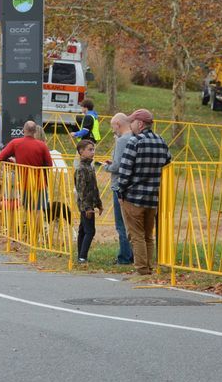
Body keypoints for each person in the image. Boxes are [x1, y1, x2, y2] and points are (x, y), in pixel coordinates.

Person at [117, 108, 172, 276]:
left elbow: (125, 171)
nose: (130, 125)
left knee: (136, 235)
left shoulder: (135, 142)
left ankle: (141, 269)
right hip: (153, 197)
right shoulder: (161, 141)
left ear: (140, 124)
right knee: (148, 235)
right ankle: (148, 266)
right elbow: (168, 163)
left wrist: (120, 191)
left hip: (134, 196)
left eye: (132, 122)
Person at [103, 113, 134, 265]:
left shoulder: (122, 140)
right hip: (132, 186)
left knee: (121, 224)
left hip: (119, 185)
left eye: (112, 126)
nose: (112, 130)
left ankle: (124, 257)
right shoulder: (135, 137)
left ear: (117, 124)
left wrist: (107, 166)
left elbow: (118, 166)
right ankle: (134, 254)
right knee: (132, 223)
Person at [74, 138, 103, 264]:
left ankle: (80, 254)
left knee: (83, 229)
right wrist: (87, 207)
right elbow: (82, 190)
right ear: (81, 152)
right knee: (90, 231)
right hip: (85, 205)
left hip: (90, 203)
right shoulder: (81, 169)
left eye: (93, 149)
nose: (93, 152)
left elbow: (94, 188)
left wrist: (99, 204)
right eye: (90, 150)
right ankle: (82, 256)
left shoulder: (90, 167)